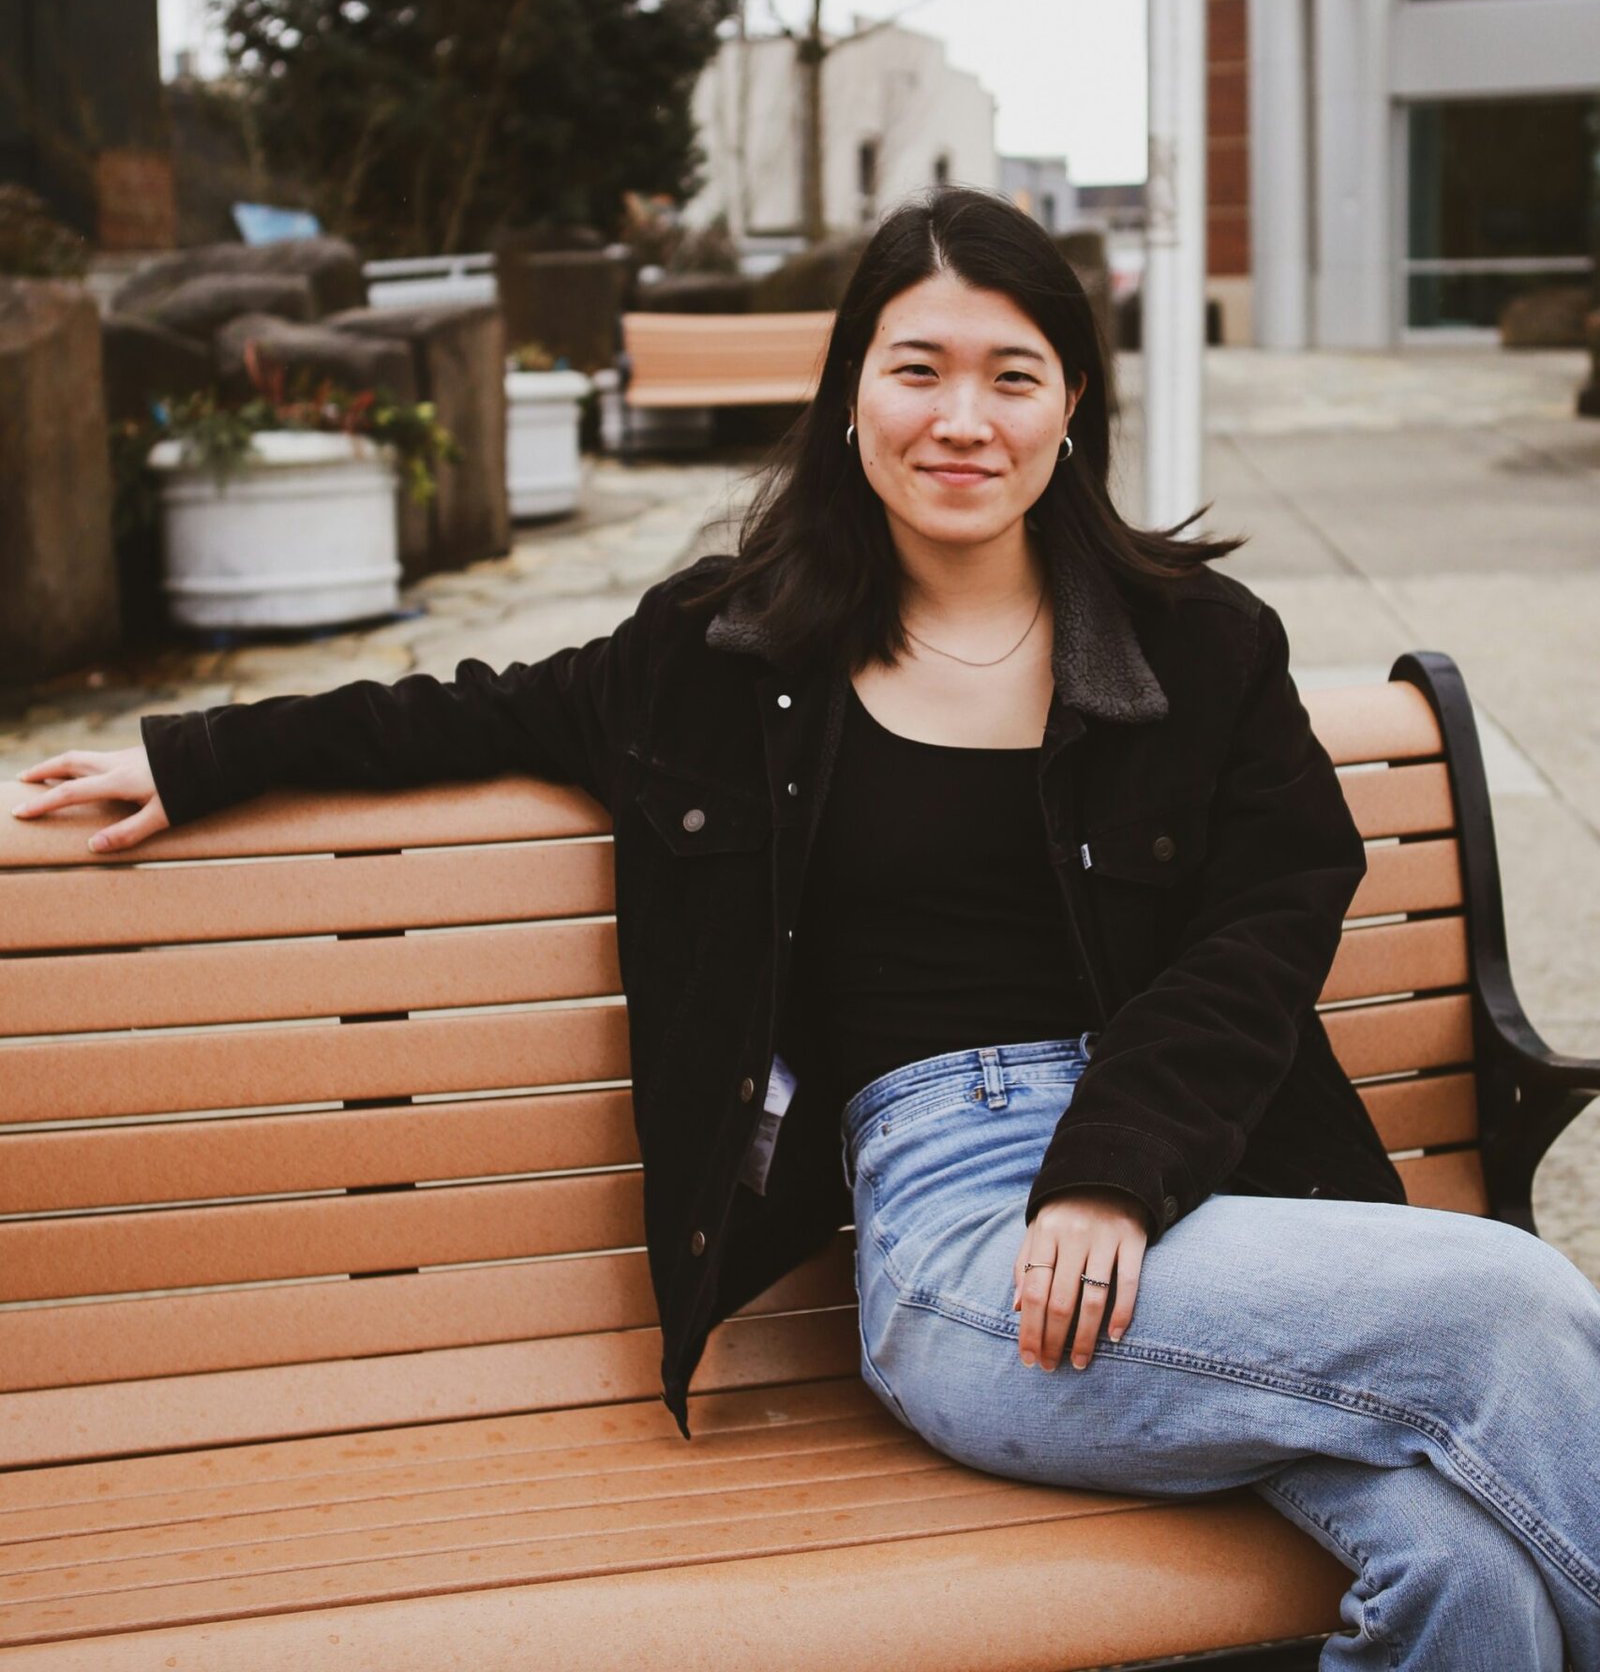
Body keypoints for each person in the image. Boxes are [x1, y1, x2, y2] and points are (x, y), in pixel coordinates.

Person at [17, 188, 1600, 1668]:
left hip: (1200, 1195)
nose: (962, 419)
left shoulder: (1199, 646)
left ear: (1073, 409)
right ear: (854, 393)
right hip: (967, 1250)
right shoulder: (727, 650)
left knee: (1470, 1571)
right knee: (1513, 1301)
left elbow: (1272, 910)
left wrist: (1118, 1165)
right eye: (919, 368)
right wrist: (190, 754)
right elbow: (459, 710)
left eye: (1014, 375)